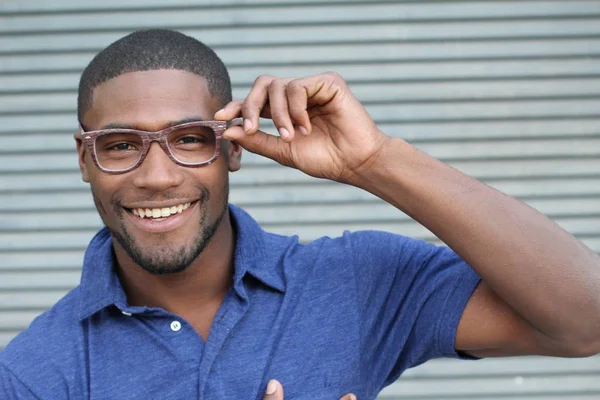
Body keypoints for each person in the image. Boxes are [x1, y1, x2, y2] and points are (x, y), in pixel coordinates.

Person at [1, 29, 599, 400]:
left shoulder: (353, 281)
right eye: (121, 145)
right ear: (85, 159)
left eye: (189, 138)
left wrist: (374, 160)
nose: (157, 177)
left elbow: (584, 320)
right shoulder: (33, 374)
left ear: (234, 145)